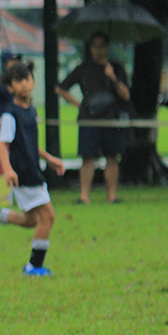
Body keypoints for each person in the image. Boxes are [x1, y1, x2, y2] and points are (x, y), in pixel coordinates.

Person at [0, 60, 66, 276]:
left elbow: (28, 142)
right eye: (19, 81)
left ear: (33, 82)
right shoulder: (10, 114)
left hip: (32, 169)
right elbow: (2, 144)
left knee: (31, 220)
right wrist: (8, 169)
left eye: (27, 79)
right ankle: (34, 266)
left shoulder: (31, 110)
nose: (25, 84)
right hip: (24, 172)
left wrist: (49, 158)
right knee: (48, 217)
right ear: (10, 88)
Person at [55, 32, 130, 205]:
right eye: (94, 45)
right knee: (87, 158)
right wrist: (78, 104)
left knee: (112, 157)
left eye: (102, 45)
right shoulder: (83, 69)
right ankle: (84, 196)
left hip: (112, 120)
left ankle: (112, 196)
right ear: (90, 47)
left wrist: (112, 77)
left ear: (107, 47)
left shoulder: (116, 68)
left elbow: (126, 95)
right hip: (89, 119)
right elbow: (60, 89)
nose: (98, 49)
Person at [0, 51, 22, 118]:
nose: (15, 64)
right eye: (12, 61)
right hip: (0, 121)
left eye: (16, 61)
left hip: (17, 121)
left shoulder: (19, 81)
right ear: (4, 63)